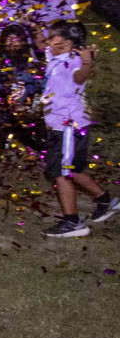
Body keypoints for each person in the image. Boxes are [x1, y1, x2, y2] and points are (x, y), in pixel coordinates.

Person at [34, 21, 114, 238]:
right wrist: (33, 27)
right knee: (73, 169)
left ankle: (73, 222)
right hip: (62, 124)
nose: (47, 41)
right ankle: (106, 200)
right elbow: (40, 44)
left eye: (52, 37)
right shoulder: (56, 55)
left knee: (62, 172)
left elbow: (80, 77)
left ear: (67, 42)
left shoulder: (74, 61)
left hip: (68, 125)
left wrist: (88, 64)